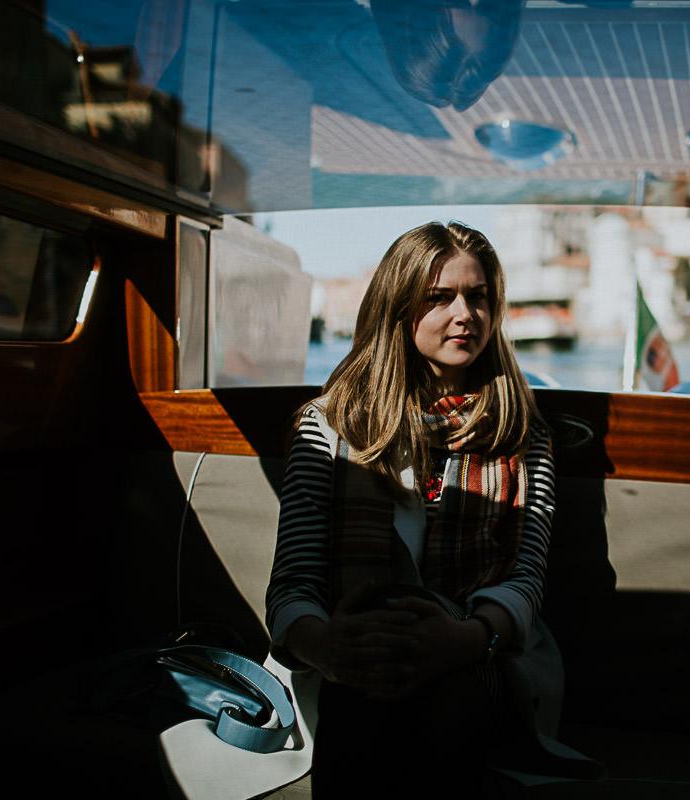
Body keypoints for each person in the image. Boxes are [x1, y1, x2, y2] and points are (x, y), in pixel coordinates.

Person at [265, 221, 559, 798]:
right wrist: (332, 649)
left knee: (449, 696)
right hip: (346, 656)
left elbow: (526, 579)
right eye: (439, 297)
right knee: (368, 688)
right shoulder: (327, 428)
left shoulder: (524, 434)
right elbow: (292, 586)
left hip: (486, 652)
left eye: (477, 297)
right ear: (398, 308)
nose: (464, 314)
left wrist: (464, 639)